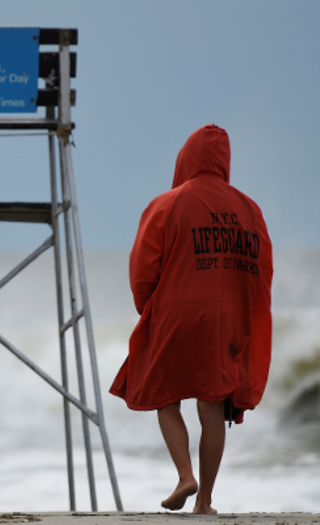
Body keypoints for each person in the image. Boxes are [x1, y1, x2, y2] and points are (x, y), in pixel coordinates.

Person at [110, 124, 273, 514]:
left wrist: (148, 307)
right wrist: (244, 317)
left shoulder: (167, 203)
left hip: (176, 313)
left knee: (163, 394)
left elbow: (142, 267)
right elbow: (262, 272)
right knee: (212, 404)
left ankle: (185, 475)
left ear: (185, 158)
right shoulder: (250, 211)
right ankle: (205, 501)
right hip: (226, 319)